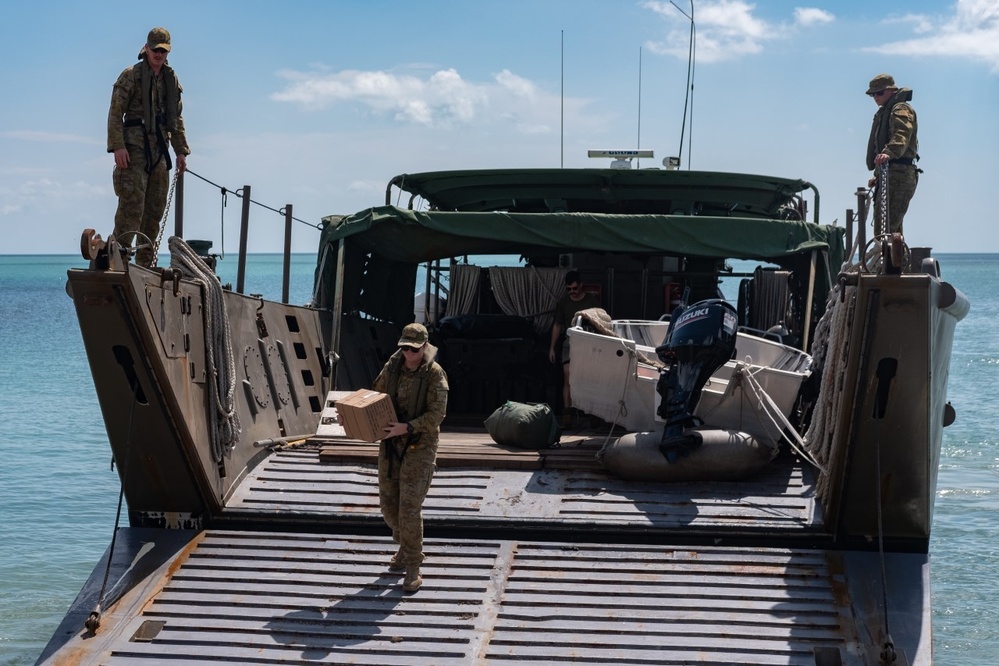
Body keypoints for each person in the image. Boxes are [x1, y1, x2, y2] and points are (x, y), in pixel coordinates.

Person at [371, 323, 448, 593]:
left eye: (413, 349)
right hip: (392, 442)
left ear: (424, 347)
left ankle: (413, 564)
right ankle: (404, 546)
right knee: (388, 506)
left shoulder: (435, 375)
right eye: (404, 347)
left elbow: (437, 415)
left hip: (420, 443)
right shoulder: (393, 367)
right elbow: (375, 395)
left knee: (409, 506)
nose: (408, 353)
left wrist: (409, 427)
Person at [107, 27, 190, 267]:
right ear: (146, 48)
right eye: (155, 49)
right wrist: (117, 146)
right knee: (131, 206)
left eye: (163, 50)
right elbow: (115, 113)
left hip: (160, 151)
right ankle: (118, 261)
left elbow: (176, 118)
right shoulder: (130, 75)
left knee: (154, 210)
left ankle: (145, 266)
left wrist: (181, 151)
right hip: (133, 150)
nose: (159, 54)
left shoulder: (170, 80)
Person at [865, 73, 919, 237]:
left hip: (900, 174)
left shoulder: (901, 109)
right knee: (888, 230)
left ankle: (890, 262)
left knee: (887, 230)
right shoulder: (884, 112)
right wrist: (877, 175)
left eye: (879, 92)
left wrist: (888, 153)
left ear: (892, 91)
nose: (876, 97)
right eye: (873, 94)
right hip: (889, 174)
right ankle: (894, 262)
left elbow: (901, 135)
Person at [548, 270, 600, 425]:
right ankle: (567, 413)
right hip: (569, 342)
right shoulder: (563, 303)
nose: (572, 292)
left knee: (590, 378)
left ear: (581, 286)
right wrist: (551, 347)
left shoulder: (591, 300)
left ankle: (593, 412)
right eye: (569, 289)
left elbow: (601, 321)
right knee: (568, 377)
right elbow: (557, 325)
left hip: (589, 342)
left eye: (575, 289)